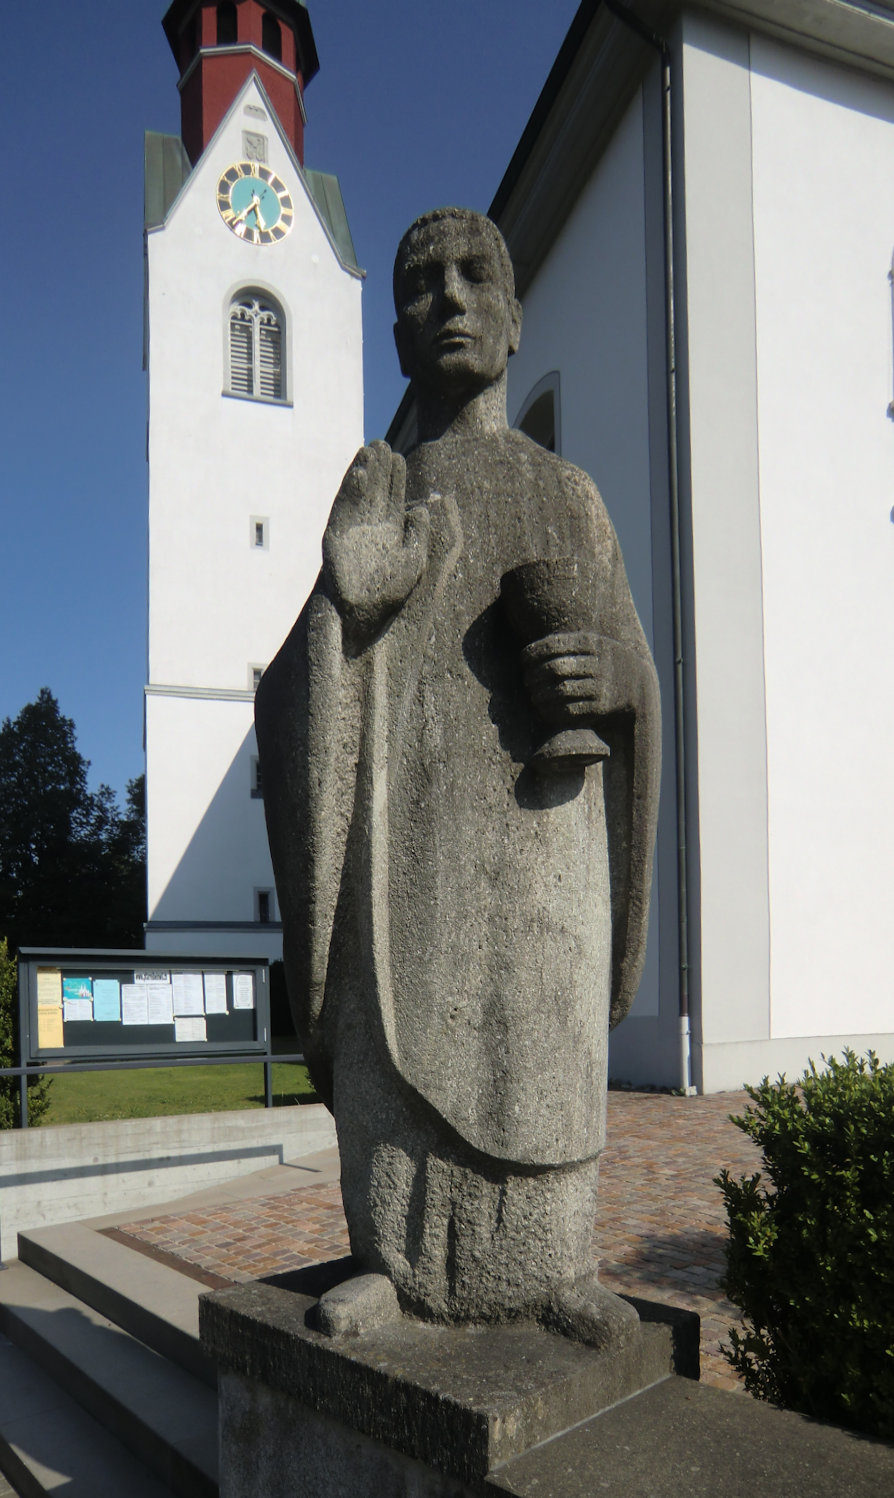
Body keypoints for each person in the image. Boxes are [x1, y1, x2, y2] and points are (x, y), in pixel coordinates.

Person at [255, 208, 660, 1345]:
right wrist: (346, 601)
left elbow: (637, 682)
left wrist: (616, 679)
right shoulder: (382, 486)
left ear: (516, 316)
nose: (449, 297)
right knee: (396, 1036)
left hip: (539, 851)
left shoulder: (567, 496)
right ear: (394, 331)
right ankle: (391, 1261)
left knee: (538, 1035)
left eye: (477, 275)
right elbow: (290, 698)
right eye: (421, 281)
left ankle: (555, 1261)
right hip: (408, 853)